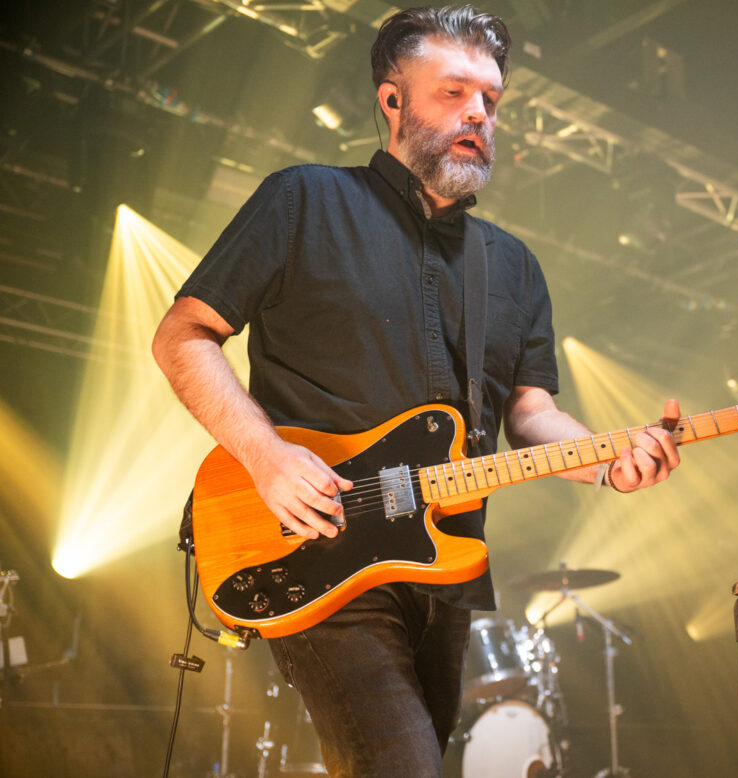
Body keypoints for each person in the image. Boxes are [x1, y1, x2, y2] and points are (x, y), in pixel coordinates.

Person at [151, 6, 681, 776]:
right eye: (454, 92)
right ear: (392, 101)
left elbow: (531, 414)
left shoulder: (512, 266)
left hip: (447, 566)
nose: (479, 113)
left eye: (491, 99)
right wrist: (265, 456)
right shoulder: (304, 201)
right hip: (316, 548)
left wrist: (610, 461)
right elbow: (183, 336)